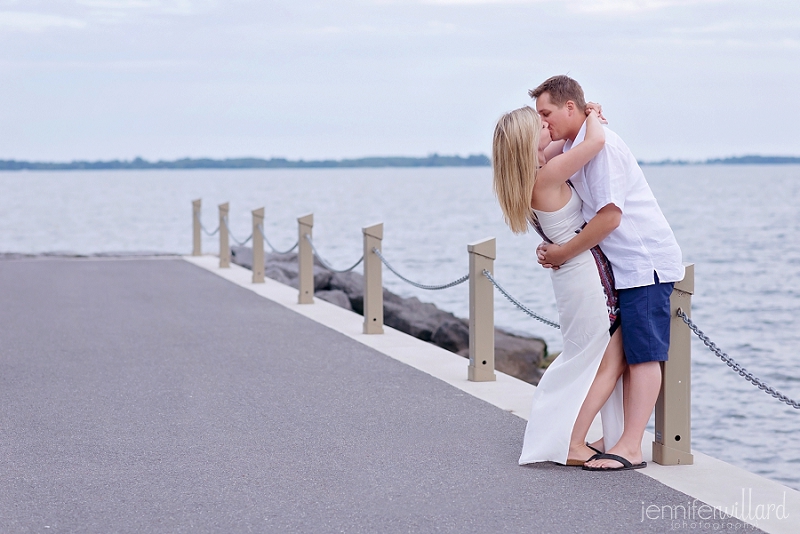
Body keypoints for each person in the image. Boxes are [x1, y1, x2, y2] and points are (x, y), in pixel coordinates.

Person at [532, 75, 684, 471]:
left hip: (642, 262)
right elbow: (537, 154)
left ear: (569, 108)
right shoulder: (574, 144)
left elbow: (611, 218)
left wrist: (564, 250)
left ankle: (631, 446)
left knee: (644, 355)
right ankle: (616, 438)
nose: (543, 124)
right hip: (622, 266)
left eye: (546, 114)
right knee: (628, 354)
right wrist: (590, 115)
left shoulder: (601, 149)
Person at [493, 105, 627, 468]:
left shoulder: (533, 175)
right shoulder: (547, 175)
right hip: (583, 276)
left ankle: (578, 435)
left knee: (586, 358)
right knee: (609, 363)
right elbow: (594, 141)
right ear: (527, 138)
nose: (548, 125)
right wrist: (592, 113)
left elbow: (567, 144)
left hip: (570, 277)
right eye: (541, 123)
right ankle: (573, 442)